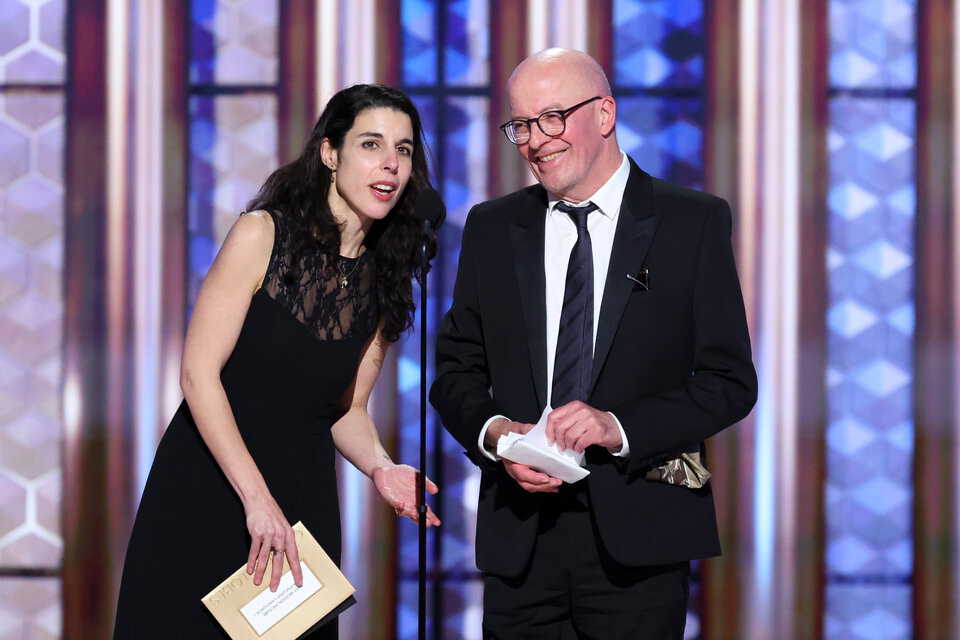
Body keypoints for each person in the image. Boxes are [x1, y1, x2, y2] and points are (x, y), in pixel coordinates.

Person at [430, 49, 757, 639]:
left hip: (640, 540)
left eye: (552, 117)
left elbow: (728, 383)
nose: (536, 140)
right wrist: (499, 436)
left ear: (605, 113)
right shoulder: (493, 227)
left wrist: (618, 426)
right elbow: (455, 372)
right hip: (521, 540)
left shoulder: (692, 222)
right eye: (522, 125)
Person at [114, 84, 440, 639]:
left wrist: (382, 467)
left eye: (403, 150)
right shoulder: (262, 234)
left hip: (300, 503)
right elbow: (198, 374)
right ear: (330, 153)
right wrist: (256, 498)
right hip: (212, 484)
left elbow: (347, 410)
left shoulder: (385, 278)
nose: (390, 162)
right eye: (371, 144)